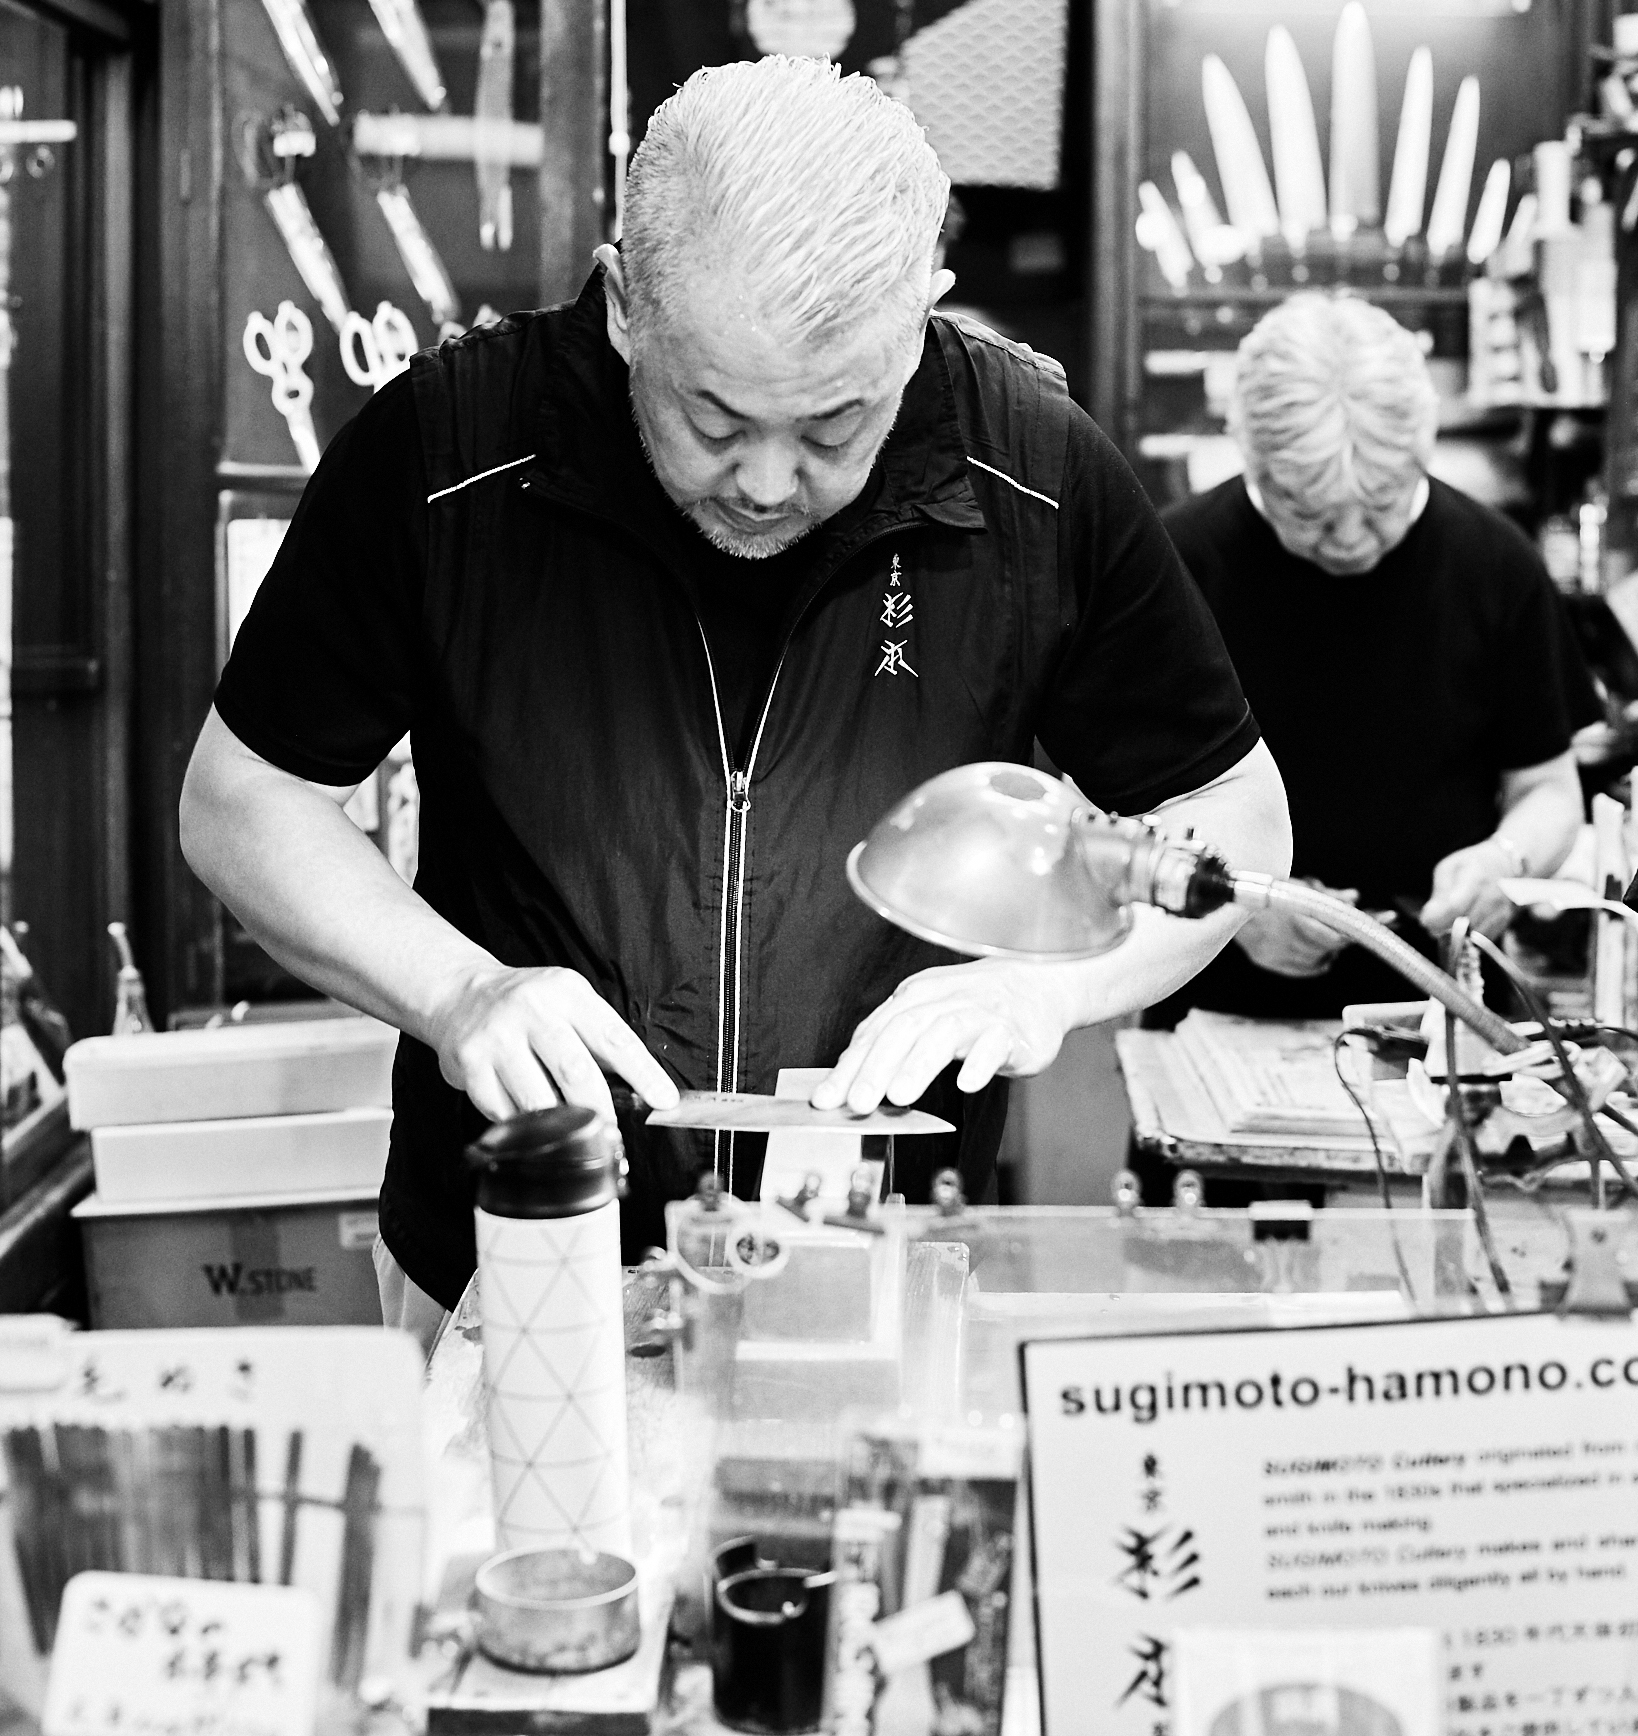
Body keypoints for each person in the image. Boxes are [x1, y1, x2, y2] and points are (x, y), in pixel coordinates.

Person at [179, 56, 1291, 1349]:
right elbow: (243, 802)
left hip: (877, 1281)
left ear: (924, 314)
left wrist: (1044, 991)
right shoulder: (446, 456)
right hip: (514, 1257)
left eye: (834, 426)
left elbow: (1235, 819)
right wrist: (460, 994)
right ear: (623, 306)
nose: (767, 481)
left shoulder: (1032, 478)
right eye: (713, 417)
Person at [1148, 291, 1589, 1033]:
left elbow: (1550, 790)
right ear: (1250, 458)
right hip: (1221, 1013)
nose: (1351, 540)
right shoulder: (1172, 567)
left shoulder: (1497, 565)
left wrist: (1506, 858)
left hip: (1445, 1019)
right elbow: (1110, 808)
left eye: (1383, 503)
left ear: (1424, 447)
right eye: (1310, 515)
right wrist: (1230, 912)